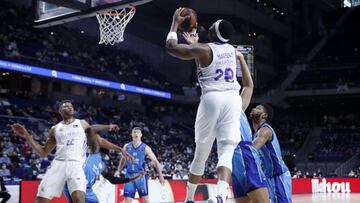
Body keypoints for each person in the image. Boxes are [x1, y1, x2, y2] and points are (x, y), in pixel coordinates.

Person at [166, 8, 242, 202]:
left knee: (201, 153)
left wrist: (175, 23)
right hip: (233, 98)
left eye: (209, 28)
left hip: (213, 97)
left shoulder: (205, 49)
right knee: (226, 149)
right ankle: (223, 193)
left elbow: (172, 48)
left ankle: (189, 199)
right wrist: (196, 45)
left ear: (213, 33)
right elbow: (205, 67)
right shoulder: (232, 51)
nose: (206, 28)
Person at [10, 100, 124, 203]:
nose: (70, 107)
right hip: (58, 165)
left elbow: (96, 133)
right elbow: (43, 152)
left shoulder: (82, 123)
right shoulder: (55, 129)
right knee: (40, 200)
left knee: (79, 199)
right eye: (66, 106)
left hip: (76, 165)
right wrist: (27, 136)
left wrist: (108, 127)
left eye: (71, 106)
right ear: (60, 110)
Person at [64, 127, 143, 203]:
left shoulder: (102, 165)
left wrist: (130, 179)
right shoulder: (94, 151)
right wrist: (120, 148)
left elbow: (113, 180)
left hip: (86, 190)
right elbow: (92, 132)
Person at [251, 104, 292, 203]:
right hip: (268, 177)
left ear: (264, 115)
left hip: (278, 176)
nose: (253, 109)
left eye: (258, 108)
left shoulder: (265, 130)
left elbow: (251, 149)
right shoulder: (254, 135)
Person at [116, 127, 165, 203]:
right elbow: (123, 159)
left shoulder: (145, 148)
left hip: (140, 176)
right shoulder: (126, 146)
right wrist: (118, 170)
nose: (136, 133)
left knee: (145, 200)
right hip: (129, 176)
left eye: (138, 132)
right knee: (127, 200)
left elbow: (155, 161)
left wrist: (161, 175)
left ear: (141, 135)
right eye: (134, 132)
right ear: (131, 134)